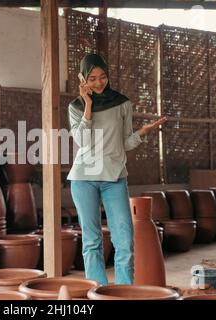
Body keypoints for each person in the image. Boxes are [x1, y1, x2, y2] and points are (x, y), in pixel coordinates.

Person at [67, 53, 167, 285]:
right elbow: (82, 141)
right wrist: (88, 106)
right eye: (92, 78)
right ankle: (98, 291)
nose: (99, 82)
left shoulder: (122, 103)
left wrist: (142, 133)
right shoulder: (75, 107)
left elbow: (123, 143)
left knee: (124, 241)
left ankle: (124, 292)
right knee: (91, 241)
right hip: (84, 178)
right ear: (83, 79)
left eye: (103, 77)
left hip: (115, 178)